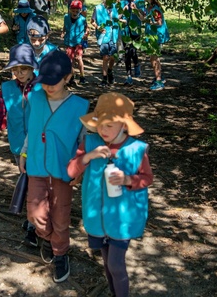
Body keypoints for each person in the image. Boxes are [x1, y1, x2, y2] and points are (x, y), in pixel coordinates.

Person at [67, 92, 153, 297]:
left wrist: (128, 180)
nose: (103, 130)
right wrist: (88, 156)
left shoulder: (136, 149)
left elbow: (147, 178)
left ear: (124, 125)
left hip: (123, 219)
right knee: (106, 261)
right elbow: (70, 171)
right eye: (100, 124)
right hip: (97, 216)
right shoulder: (90, 143)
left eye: (109, 125)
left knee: (116, 263)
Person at [19, 50, 89, 283]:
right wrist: (24, 152)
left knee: (61, 216)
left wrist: (79, 168)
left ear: (68, 78)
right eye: (44, 81)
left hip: (63, 171)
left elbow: (83, 141)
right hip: (37, 166)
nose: (48, 86)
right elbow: (31, 128)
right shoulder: (36, 97)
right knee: (35, 215)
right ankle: (48, 238)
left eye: (54, 82)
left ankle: (60, 253)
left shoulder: (79, 106)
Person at [0, 43, 41, 246]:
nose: (19, 73)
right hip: (18, 144)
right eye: (15, 69)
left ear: (32, 67)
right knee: (28, 180)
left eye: (23, 68)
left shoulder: (44, 86)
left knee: (36, 185)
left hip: (40, 144)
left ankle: (34, 228)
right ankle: (32, 219)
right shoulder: (7, 89)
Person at [138, 0, 170, 91]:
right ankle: (159, 77)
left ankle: (159, 81)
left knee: (154, 58)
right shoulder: (149, 8)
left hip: (156, 37)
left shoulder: (155, 9)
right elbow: (143, 19)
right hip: (151, 36)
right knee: (153, 58)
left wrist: (150, 22)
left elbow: (159, 23)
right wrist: (135, 9)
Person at [92, 0, 120, 87]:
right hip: (103, 36)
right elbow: (92, 21)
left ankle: (110, 70)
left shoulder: (115, 7)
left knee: (113, 57)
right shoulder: (98, 8)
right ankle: (104, 78)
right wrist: (98, 27)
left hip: (113, 36)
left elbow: (118, 18)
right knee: (105, 57)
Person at [119, 0, 143, 85]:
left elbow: (142, 18)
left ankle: (136, 64)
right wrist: (123, 11)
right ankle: (129, 76)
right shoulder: (123, 2)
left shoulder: (140, 2)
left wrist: (136, 9)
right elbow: (117, 17)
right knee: (127, 53)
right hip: (125, 31)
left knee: (133, 51)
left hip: (136, 30)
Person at [61, 0, 88, 86]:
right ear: (70, 10)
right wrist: (63, 32)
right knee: (70, 60)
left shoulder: (83, 19)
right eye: (73, 10)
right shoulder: (66, 17)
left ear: (80, 11)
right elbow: (65, 26)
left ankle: (82, 76)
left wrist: (86, 34)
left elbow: (87, 28)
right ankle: (71, 77)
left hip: (79, 41)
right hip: (69, 41)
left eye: (77, 11)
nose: (75, 12)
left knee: (78, 58)